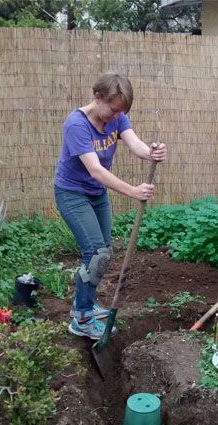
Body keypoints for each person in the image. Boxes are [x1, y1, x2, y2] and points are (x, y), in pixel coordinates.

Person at [54, 72, 167, 340]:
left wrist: (152, 152)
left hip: (96, 195)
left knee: (103, 254)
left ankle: (88, 305)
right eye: (113, 110)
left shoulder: (117, 116)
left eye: (121, 112)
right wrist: (133, 191)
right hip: (72, 193)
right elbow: (95, 170)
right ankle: (81, 318)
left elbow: (135, 144)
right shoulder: (76, 125)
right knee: (95, 253)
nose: (116, 117)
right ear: (97, 97)